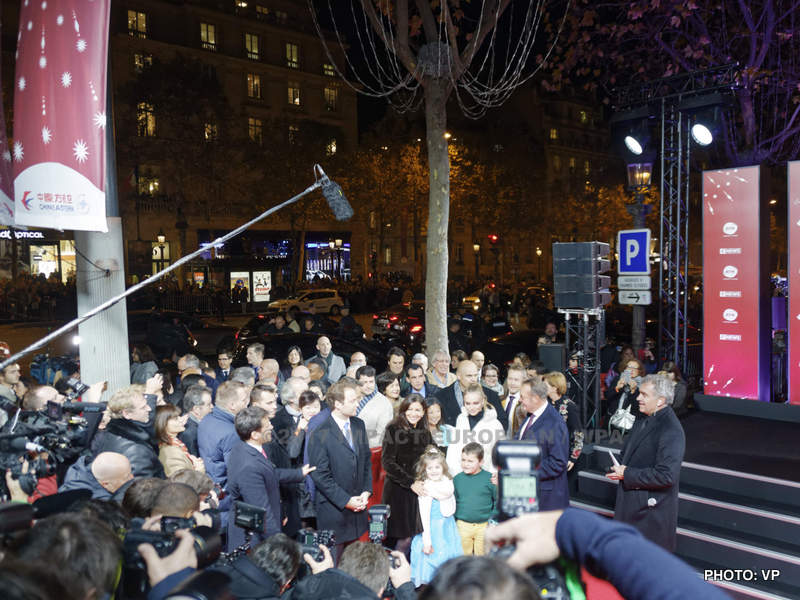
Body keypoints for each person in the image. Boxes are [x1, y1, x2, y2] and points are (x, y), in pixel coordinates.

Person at [606, 374, 686, 551]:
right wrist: (617, 466)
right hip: (634, 508)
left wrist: (626, 473)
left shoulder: (671, 429)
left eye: (644, 395)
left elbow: (666, 476)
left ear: (660, 400)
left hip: (649, 518)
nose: (638, 398)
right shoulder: (644, 418)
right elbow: (629, 454)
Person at [226, 406, 315, 551]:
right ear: (255, 434)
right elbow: (262, 512)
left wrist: (299, 473)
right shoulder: (249, 467)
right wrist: (280, 544)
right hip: (255, 542)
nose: (272, 427)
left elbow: (270, 474)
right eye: (267, 425)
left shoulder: (245, 448)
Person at [307, 380, 372, 560]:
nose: (358, 404)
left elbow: (366, 461)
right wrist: (346, 500)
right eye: (353, 400)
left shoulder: (358, 424)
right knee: (334, 564)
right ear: (337, 404)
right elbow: (320, 476)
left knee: (355, 563)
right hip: (334, 511)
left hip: (358, 510)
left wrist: (366, 491)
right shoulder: (320, 432)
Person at [382, 394, 433, 554]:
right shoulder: (393, 429)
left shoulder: (424, 432)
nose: (413, 413)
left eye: (418, 410)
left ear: (423, 412)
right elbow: (388, 463)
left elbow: (432, 455)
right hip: (399, 492)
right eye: (410, 409)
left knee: (414, 537)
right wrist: (410, 483)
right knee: (402, 538)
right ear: (403, 410)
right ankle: (394, 568)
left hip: (419, 491)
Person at [409, 446, 463, 586]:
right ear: (424, 470)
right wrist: (427, 541)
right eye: (430, 468)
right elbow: (424, 518)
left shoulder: (447, 483)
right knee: (432, 560)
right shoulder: (425, 490)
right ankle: (432, 586)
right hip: (432, 531)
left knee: (447, 556)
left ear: (443, 468)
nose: (434, 471)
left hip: (447, 528)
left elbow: (450, 501)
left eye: (437, 467)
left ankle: (447, 583)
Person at [93, 377, 164, 478]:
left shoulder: (111, 432)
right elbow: (142, 486)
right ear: (127, 414)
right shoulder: (135, 451)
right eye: (143, 407)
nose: (149, 409)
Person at [517, 377, 569, 510]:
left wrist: (524, 469)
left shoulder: (555, 423)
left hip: (546, 500)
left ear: (535, 398)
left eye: (522, 397)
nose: (520, 400)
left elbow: (558, 463)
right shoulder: (531, 415)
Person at [198, 380, 249, 487]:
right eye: (244, 400)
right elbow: (237, 472)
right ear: (232, 405)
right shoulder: (232, 434)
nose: (247, 404)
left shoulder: (206, 419)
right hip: (225, 489)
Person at [445, 383, 505, 476]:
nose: (471, 407)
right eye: (467, 403)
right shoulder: (461, 419)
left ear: (483, 401)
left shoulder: (494, 424)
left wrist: (491, 477)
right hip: (461, 474)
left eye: (475, 403)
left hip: (485, 476)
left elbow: (498, 455)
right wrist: (454, 475)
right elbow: (454, 450)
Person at [436, 360, 507, 431]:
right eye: (469, 376)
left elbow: (503, 422)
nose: (473, 379)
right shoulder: (441, 396)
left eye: (475, 375)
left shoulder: (491, 395)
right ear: (458, 376)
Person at [453, 442, 496, 556]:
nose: (465, 464)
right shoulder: (457, 479)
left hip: (484, 525)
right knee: (463, 556)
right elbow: (453, 502)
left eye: (470, 461)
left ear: (481, 462)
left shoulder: (490, 479)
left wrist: (492, 521)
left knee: (482, 557)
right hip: (462, 525)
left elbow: (497, 501)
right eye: (463, 460)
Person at [543, 371, 584, 471]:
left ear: (554, 388)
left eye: (545, 385)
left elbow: (578, 434)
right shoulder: (544, 403)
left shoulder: (569, 406)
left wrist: (573, 458)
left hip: (562, 453)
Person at [60, 451, 134, 501]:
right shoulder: (100, 505)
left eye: (130, 472)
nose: (132, 477)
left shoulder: (87, 468)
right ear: (106, 484)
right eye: (126, 477)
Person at [156, 404, 205, 477]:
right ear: (163, 424)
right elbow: (179, 482)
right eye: (176, 419)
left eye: (179, 416)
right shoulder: (170, 453)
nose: (181, 420)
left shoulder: (175, 443)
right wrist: (199, 471)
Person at [606, 357, 645, 434]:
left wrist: (633, 391)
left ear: (639, 371)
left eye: (634, 368)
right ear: (624, 369)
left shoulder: (643, 384)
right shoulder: (618, 379)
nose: (631, 370)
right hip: (613, 420)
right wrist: (617, 389)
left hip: (631, 423)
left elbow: (638, 407)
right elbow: (608, 396)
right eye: (629, 367)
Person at [179, 385, 213, 457]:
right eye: (209, 404)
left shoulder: (199, 421)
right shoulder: (189, 434)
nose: (212, 407)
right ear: (196, 409)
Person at [501, 364, 526, 438]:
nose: (512, 383)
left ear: (523, 381)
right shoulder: (500, 400)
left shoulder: (526, 404)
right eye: (510, 379)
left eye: (516, 380)